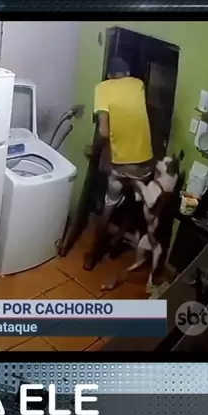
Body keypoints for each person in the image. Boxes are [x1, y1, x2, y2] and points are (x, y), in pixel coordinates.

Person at [84, 56, 154, 269]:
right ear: (128, 74)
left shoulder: (103, 88)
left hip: (121, 165)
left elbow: (104, 132)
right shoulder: (138, 84)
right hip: (144, 165)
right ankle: (120, 237)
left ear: (109, 75)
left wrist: (94, 149)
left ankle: (92, 254)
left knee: (109, 205)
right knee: (135, 204)